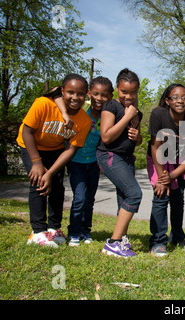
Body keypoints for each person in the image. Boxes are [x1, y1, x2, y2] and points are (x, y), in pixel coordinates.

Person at [17, 74, 92, 248]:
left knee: (56, 186)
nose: (75, 97)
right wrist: (36, 163)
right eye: (70, 92)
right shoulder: (43, 104)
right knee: (38, 182)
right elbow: (26, 131)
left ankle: (54, 228)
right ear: (62, 91)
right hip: (31, 145)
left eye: (80, 94)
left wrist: (50, 172)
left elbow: (71, 149)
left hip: (55, 150)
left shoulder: (84, 120)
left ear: (86, 94)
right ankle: (37, 232)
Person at [147, 84, 185, 257]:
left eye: (184, 97)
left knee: (178, 201)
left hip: (179, 165)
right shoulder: (159, 115)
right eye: (175, 97)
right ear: (167, 101)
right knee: (161, 197)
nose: (180, 101)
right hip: (159, 161)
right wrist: (163, 178)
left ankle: (177, 237)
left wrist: (173, 176)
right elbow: (155, 147)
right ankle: (157, 241)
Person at [97, 68, 143, 258]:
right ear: (117, 89)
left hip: (126, 158)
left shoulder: (136, 112)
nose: (128, 96)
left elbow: (138, 141)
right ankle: (113, 243)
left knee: (124, 199)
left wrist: (137, 135)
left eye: (133, 92)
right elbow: (106, 137)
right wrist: (126, 117)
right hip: (109, 155)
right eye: (124, 92)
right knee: (134, 194)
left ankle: (122, 237)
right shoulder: (110, 107)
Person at [65, 77, 113, 246]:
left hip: (93, 162)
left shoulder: (108, 115)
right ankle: (74, 232)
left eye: (104, 95)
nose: (99, 98)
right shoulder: (81, 108)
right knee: (79, 197)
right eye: (95, 94)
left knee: (90, 198)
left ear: (110, 96)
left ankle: (85, 230)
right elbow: (58, 96)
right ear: (89, 94)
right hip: (75, 161)